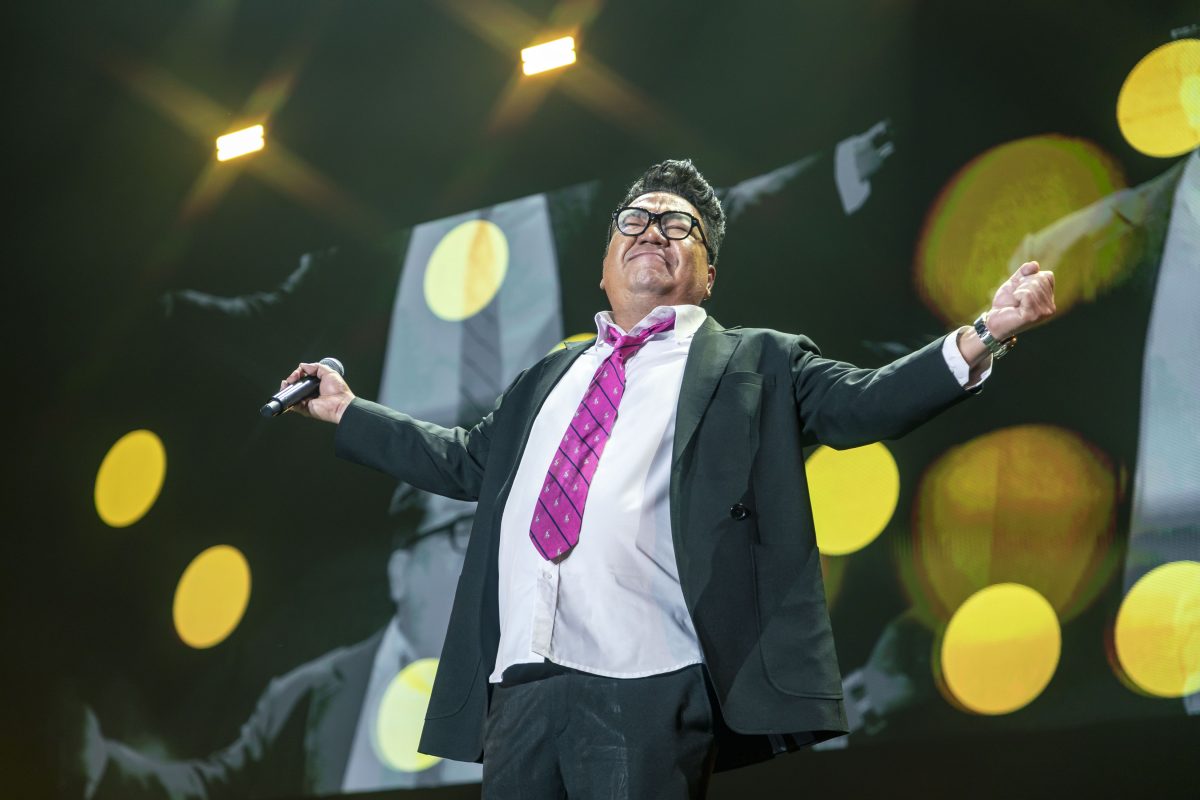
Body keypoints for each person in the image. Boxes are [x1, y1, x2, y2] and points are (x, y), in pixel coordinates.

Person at [281, 158, 1057, 798]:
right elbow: (462, 461)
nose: (653, 230)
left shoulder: (757, 361)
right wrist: (348, 411)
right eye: (635, 220)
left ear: (708, 274)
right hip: (520, 685)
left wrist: (985, 334)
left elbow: (865, 402)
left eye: (679, 226)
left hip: (648, 679)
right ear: (604, 265)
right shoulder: (547, 377)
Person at [71, 515, 483, 798]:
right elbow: (218, 792)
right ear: (400, 571)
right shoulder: (305, 694)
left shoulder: (518, 692)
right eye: (465, 533)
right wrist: (99, 763)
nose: (490, 555)